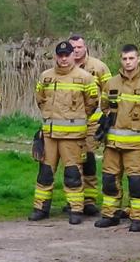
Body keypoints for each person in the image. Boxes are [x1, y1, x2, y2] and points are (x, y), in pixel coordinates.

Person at [30, 40, 100, 224]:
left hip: (73, 136)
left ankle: (76, 210)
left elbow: (92, 103)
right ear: (56, 56)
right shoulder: (45, 76)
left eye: (66, 55)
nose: (63, 59)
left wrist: (76, 119)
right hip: (50, 135)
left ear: (72, 55)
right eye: (60, 55)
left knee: (73, 174)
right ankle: (40, 208)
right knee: (45, 173)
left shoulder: (85, 77)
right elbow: (40, 99)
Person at [96, 45, 140, 231]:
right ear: (120, 60)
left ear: (138, 59)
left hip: (137, 145)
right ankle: (110, 214)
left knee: (136, 183)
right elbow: (105, 106)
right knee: (109, 180)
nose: (128, 62)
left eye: (131, 59)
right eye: (124, 59)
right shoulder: (111, 83)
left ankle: (138, 218)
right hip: (113, 143)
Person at [70, 35, 110, 215]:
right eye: (73, 47)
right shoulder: (63, 67)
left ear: (85, 47)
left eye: (80, 47)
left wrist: (107, 118)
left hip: (92, 123)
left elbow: (111, 91)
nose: (77, 50)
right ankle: (74, 199)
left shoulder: (99, 67)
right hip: (69, 124)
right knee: (73, 162)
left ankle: (90, 200)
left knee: (89, 160)